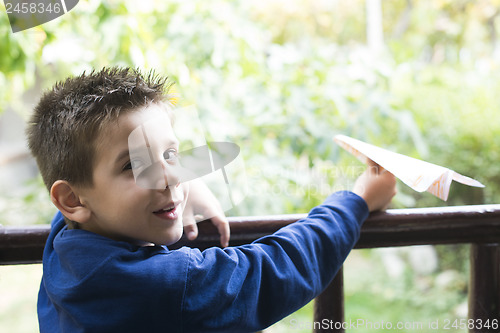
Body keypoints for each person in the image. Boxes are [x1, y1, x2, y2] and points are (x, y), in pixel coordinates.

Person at [27, 67, 396, 333]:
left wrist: (181, 189)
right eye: (133, 166)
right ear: (71, 198)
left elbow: (97, 196)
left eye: (172, 156)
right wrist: (357, 199)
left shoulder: (66, 245)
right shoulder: (167, 285)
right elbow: (278, 269)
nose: (170, 177)